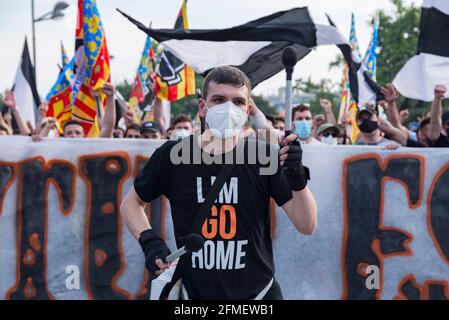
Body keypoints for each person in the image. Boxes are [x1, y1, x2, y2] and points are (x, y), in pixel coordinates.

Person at [121, 65, 317, 300]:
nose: (228, 108)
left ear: (247, 110)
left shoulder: (264, 156)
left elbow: (307, 225)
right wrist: (150, 242)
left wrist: (297, 178)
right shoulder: (173, 155)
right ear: (202, 107)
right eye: (219, 99)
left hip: (259, 295)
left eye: (237, 102)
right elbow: (131, 203)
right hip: (194, 296)